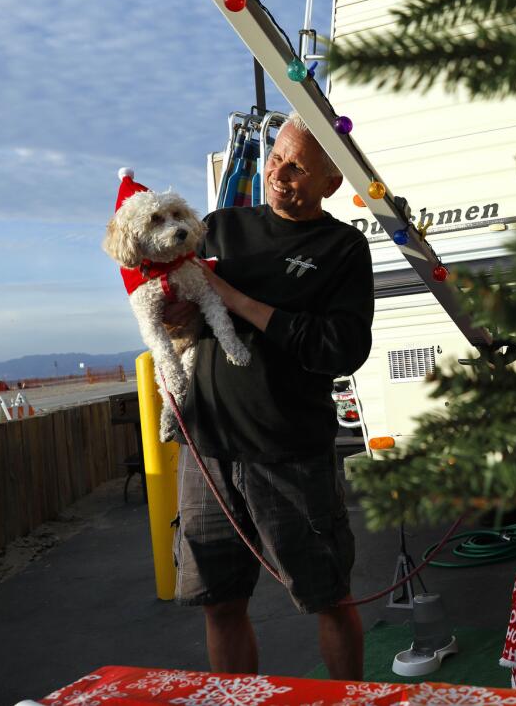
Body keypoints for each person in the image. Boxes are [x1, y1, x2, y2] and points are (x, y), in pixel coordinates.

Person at [168, 114, 372, 679]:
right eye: (278, 158)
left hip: (291, 454)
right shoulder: (220, 227)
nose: (281, 175)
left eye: (300, 167)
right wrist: (177, 311)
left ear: (332, 183)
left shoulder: (342, 248)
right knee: (220, 602)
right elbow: (187, 308)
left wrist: (235, 299)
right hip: (207, 452)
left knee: (327, 597)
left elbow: (343, 347)